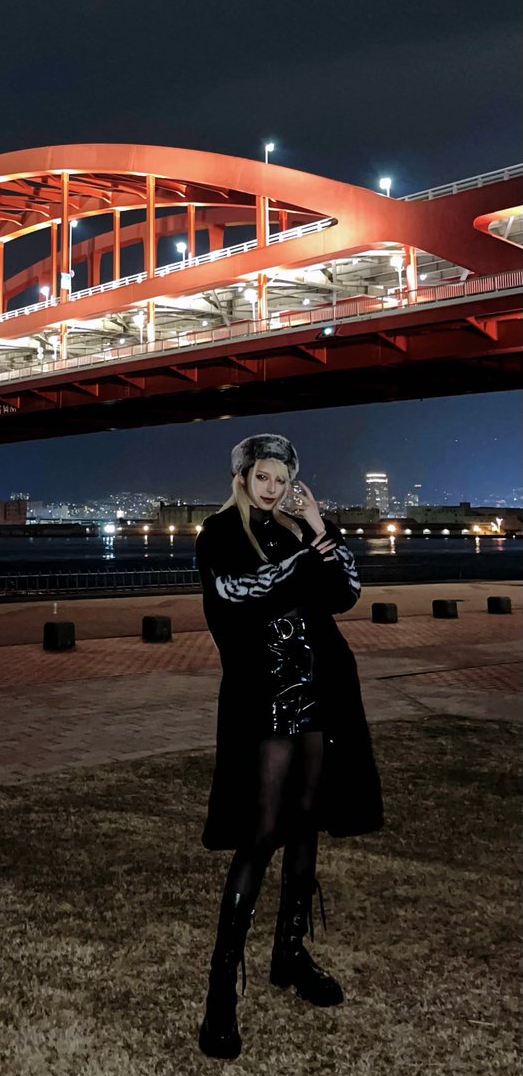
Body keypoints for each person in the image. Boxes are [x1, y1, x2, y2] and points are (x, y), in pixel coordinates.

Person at [195, 432, 383, 1061]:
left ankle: (290, 954)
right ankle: (221, 991)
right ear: (243, 477)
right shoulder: (220, 533)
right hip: (267, 695)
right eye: (263, 477)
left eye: (282, 479)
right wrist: (305, 558)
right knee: (262, 830)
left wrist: (318, 524)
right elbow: (238, 593)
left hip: (319, 689)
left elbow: (346, 591)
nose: (273, 488)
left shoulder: (297, 530)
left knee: (306, 823)